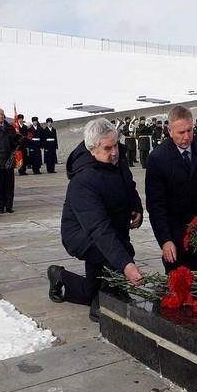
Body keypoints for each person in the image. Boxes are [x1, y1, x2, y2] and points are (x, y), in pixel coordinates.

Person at [48, 118, 144, 322]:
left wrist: (136, 207)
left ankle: (62, 278)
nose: (115, 152)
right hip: (83, 233)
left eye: (116, 144)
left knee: (97, 283)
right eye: (108, 148)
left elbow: (128, 181)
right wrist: (126, 264)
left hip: (112, 225)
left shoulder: (116, 157)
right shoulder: (83, 181)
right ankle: (101, 302)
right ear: (91, 149)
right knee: (118, 256)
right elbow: (98, 229)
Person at [146, 106, 197, 273]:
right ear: (169, 131)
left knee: (196, 281)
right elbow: (156, 205)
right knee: (177, 282)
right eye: (181, 132)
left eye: (190, 130)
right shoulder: (158, 158)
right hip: (172, 228)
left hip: (196, 227)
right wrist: (165, 240)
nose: (187, 137)